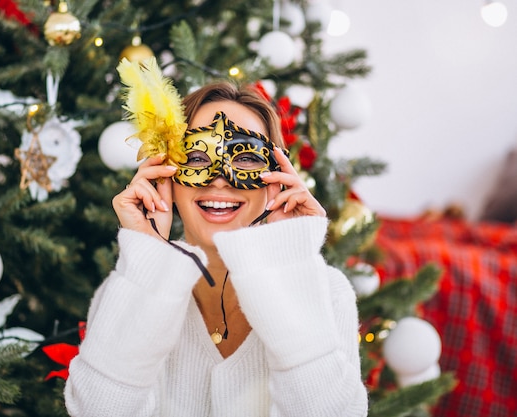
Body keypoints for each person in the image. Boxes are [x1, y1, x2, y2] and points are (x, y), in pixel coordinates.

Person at [64, 81, 368, 416]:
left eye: (247, 158)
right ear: (167, 176)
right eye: (195, 156)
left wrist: (289, 266)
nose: (219, 179)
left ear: (275, 180)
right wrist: (147, 261)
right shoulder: (126, 290)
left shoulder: (328, 293)